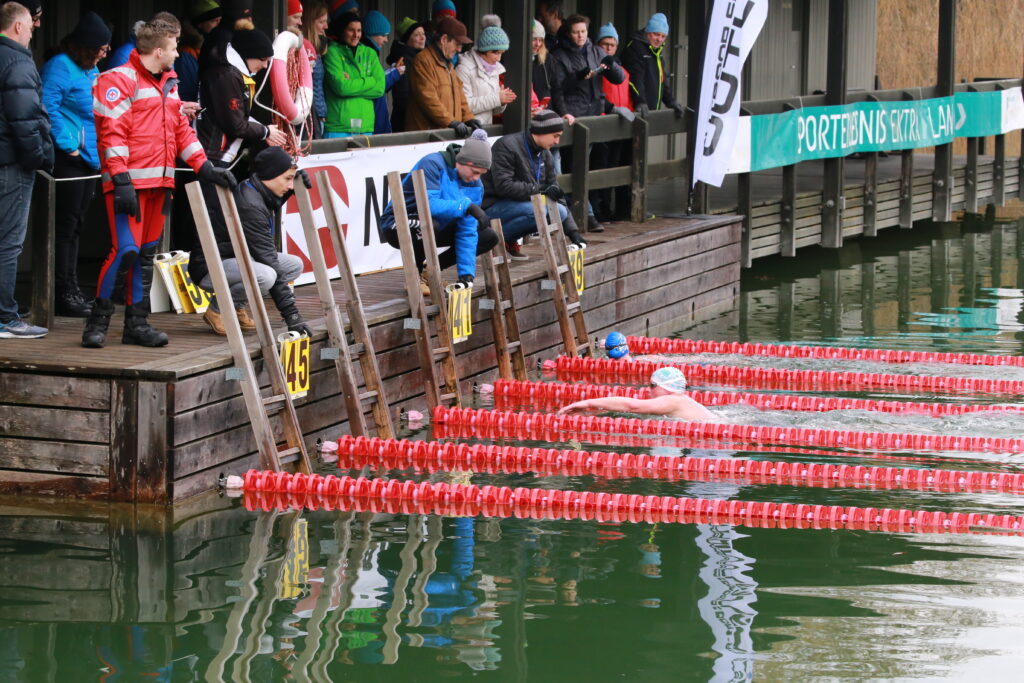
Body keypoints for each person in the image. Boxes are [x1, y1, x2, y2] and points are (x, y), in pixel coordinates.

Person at [82, 19, 237, 348]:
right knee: (125, 250)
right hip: (129, 185)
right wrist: (121, 178)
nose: (178, 53)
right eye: (173, 47)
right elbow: (112, 133)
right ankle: (97, 322)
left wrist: (204, 166)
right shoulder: (118, 80)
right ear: (157, 51)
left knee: (145, 255)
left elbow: (181, 130)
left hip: (160, 184)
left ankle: (136, 324)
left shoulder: (169, 83)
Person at [189, 147, 312, 338]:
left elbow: (273, 203)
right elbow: (269, 260)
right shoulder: (250, 206)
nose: (289, 185)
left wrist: (291, 189)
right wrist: (292, 315)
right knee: (267, 275)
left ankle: (237, 306)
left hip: (236, 259)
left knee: (294, 265)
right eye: (287, 179)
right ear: (271, 175)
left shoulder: (254, 187)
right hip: (208, 268)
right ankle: (217, 309)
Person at [40, 11, 111, 318]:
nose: (104, 54)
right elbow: (46, 107)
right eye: (101, 49)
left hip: (90, 159)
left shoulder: (89, 69)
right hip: (70, 160)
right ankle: (62, 292)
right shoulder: (59, 66)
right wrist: (68, 145)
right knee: (66, 228)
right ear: (86, 46)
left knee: (77, 225)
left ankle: (72, 290)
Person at [379, 129, 497, 296]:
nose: (476, 178)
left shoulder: (476, 186)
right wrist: (466, 206)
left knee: (488, 236)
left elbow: (467, 232)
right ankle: (414, 277)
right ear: (465, 162)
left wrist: (466, 275)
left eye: (481, 175)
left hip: (437, 224)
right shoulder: (433, 163)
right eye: (475, 172)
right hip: (397, 223)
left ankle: (431, 272)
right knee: (428, 223)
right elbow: (428, 204)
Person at [0, 1, 52, 339]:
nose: (34, 30)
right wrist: (41, 158)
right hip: (12, 164)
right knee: (8, 243)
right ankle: (5, 317)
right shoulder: (18, 60)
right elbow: (26, 120)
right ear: (18, 26)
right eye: (31, 25)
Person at [548, 14, 625, 232]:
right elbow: (558, 89)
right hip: (573, 117)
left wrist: (611, 64)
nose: (580, 36)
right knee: (572, 167)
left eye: (583, 31)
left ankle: (582, 213)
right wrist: (577, 79)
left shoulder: (595, 50)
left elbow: (618, 79)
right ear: (568, 33)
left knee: (585, 168)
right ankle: (584, 215)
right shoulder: (559, 55)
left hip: (594, 115)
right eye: (576, 32)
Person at [482, 110, 585, 261]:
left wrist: (573, 232)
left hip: (520, 205)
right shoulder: (507, 146)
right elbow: (504, 186)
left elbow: (555, 193)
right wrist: (541, 189)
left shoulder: (545, 153)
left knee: (560, 211)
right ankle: (492, 241)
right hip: (492, 206)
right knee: (537, 210)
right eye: (555, 136)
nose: (557, 141)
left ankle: (508, 240)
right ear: (542, 132)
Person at [198, 27, 285, 174]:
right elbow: (235, 124)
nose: (265, 66)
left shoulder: (232, 74)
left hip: (217, 154)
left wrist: (267, 132)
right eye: (263, 59)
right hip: (212, 154)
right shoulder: (227, 76)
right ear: (246, 54)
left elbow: (239, 116)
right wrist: (265, 131)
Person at [404, 17, 479, 136]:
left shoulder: (448, 64)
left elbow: (460, 97)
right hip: (426, 138)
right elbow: (428, 99)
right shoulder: (423, 61)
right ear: (444, 39)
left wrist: (469, 118)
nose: (459, 49)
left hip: (445, 135)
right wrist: (451, 122)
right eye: (457, 44)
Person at [558, 367, 715, 421]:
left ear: (666, 387)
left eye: (652, 385)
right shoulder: (682, 400)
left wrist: (587, 403)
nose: (648, 390)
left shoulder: (672, 400)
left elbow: (632, 405)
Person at [592, 22, 632, 222]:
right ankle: (598, 208)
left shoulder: (622, 71)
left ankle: (609, 206)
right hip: (601, 123)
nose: (608, 48)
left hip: (620, 125)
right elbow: (597, 96)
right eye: (604, 44)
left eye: (612, 44)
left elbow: (627, 98)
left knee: (614, 166)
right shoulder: (596, 70)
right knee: (599, 167)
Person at [323, 11, 384, 138]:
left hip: (365, 127)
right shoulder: (331, 52)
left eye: (359, 30)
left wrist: (351, 82)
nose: (356, 35)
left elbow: (380, 88)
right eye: (351, 30)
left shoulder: (370, 53)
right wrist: (370, 81)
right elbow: (341, 87)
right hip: (338, 128)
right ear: (342, 30)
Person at [622, 13, 685, 119]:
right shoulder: (635, 48)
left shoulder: (656, 53)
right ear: (648, 32)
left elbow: (662, 81)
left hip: (647, 111)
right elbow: (635, 79)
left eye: (663, 36)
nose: (659, 39)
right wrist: (640, 102)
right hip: (633, 111)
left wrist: (671, 101)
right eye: (656, 34)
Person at [456, 15, 515, 127]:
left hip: (486, 130)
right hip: (469, 130)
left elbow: (493, 111)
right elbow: (464, 106)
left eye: (502, 53)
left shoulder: (494, 68)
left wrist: (502, 102)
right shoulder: (464, 69)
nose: (499, 58)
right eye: (496, 53)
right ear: (483, 50)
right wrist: (497, 98)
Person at [361, 10, 401, 135]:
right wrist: (395, 73)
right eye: (383, 35)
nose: (386, 40)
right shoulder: (365, 54)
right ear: (372, 34)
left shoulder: (369, 53)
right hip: (371, 122)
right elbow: (377, 85)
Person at [176, 1, 222, 103]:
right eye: (215, 21)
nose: (219, 25)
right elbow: (186, 93)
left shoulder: (212, 45)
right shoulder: (187, 54)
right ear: (200, 24)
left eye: (220, 21)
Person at [386, 17, 424, 132]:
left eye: (423, 33)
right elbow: (402, 97)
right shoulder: (404, 60)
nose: (422, 38)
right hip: (406, 122)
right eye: (417, 35)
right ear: (407, 39)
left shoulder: (417, 57)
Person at [301, 1, 329, 137]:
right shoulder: (302, 49)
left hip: (317, 114)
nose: (326, 26)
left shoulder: (318, 49)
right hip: (306, 116)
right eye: (321, 21)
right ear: (309, 22)